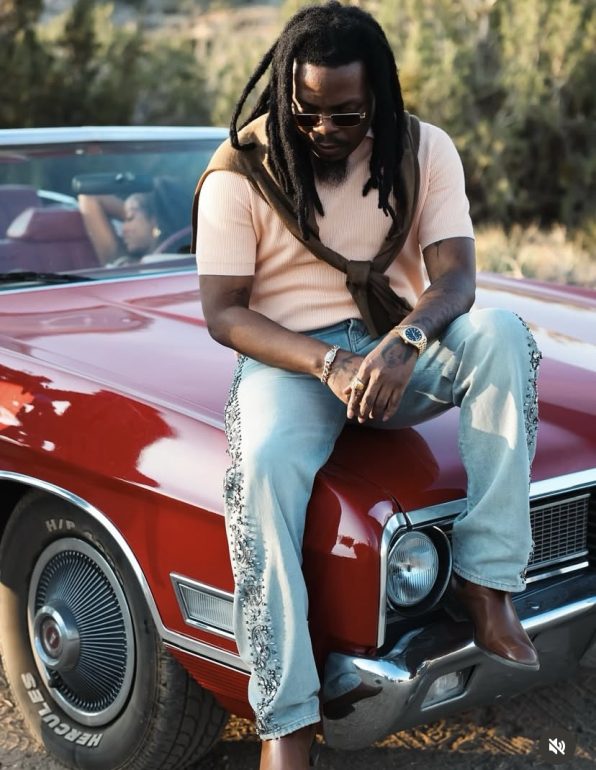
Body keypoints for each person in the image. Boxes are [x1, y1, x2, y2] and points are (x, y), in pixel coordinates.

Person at [193, 3, 542, 768]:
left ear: (377, 96)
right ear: (285, 93)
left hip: (401, 345)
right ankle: (286, 717)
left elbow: (456, 278)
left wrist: (405, 342)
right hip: (293, 361)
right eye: (306, 111)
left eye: (345, 114)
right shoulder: (240, 169)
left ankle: (487, 584)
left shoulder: (423, 149)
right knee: (260, 474)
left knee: (504, 335)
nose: (323, 129)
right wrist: (329, 364)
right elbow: (225, 313)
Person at [79, 176, 188, 265]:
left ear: (155, 221)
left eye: (130, 218)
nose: (123, 229)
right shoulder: (191, 260)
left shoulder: (129, 270)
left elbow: (89, 196)